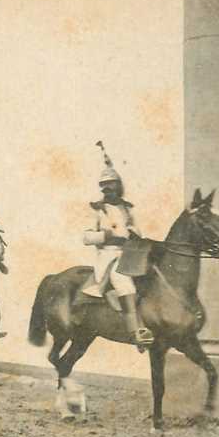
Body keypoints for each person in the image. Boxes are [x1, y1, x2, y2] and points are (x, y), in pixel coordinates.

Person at [82, 141, 153, 348]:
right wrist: (105, 236)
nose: (108, 190)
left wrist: (134, 234)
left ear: (118, 187)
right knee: (122, 279)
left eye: (111, 186)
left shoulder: (128, 209)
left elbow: (138, 231)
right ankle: (136, 331)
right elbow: (86, 237)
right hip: (109, 257)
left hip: (131, 253)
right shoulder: (97, 210)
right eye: (104, 187)